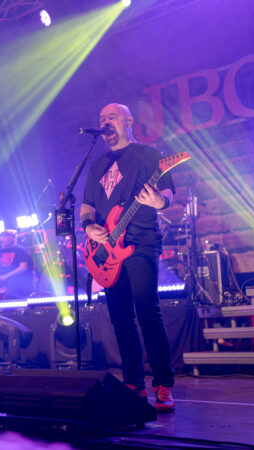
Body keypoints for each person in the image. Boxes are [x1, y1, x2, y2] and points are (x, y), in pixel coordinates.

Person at [80, 103, 176, 412]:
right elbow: (86, 206)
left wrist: (160, 202)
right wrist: (88, 226)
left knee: (148, 311)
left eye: (111, 117)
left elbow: (168, 191)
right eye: (101, 118)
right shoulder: (97, 165)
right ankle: (134, 383)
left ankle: (163, 384)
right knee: (121, 318)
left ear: (128, 121)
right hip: (108, 250)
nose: (105, 122)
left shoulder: (147, 155)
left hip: (142, 242)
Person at [0, 229, 33, 299]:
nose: (3, 238)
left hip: (17, 279)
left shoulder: (20, 250)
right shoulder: (1, 250)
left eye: (5, 236)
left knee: (8, 295)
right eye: (3, 236)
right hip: (3, 279)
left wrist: (6, 276)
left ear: (13, 238)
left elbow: (23, 267)